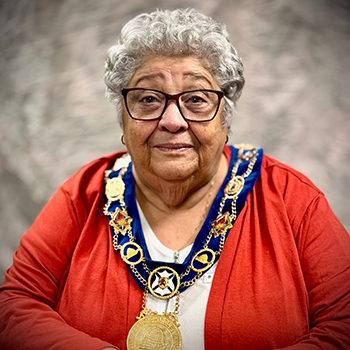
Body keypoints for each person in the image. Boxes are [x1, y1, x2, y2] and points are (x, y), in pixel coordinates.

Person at [0, 8, 349, 350]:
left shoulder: (292, 199)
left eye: (196, 99)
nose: (172, 120)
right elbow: (16, 304)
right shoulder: (84, 193)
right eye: (149, 99)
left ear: (225, 117)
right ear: (123, 118)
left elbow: (343, 324)